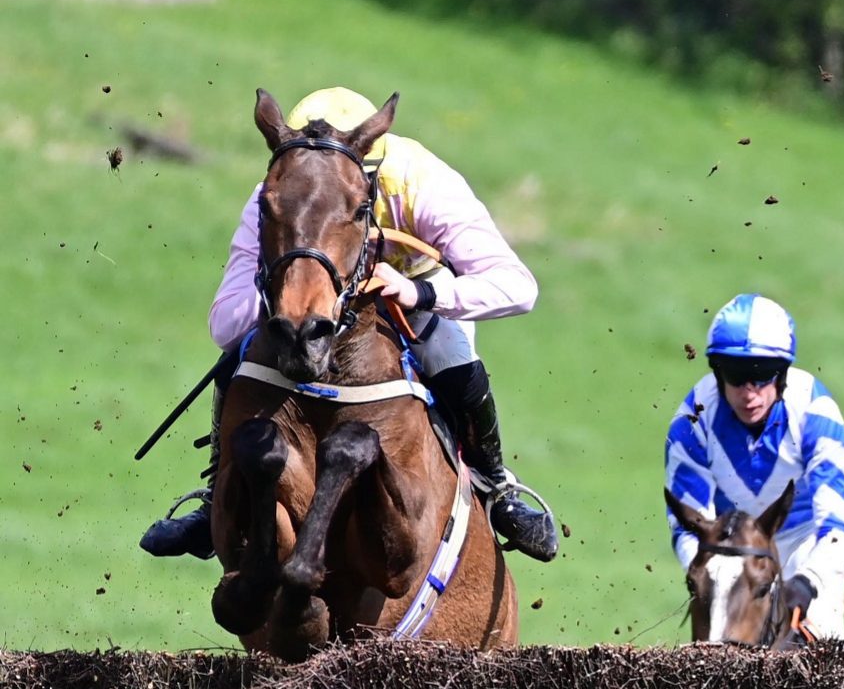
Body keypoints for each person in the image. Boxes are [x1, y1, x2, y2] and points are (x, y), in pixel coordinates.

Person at [141, 86, 558, 563]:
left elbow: (518, 287)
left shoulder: (424, 184)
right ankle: (218, 492)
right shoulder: (276, 196)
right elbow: (225, 323)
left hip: (407, 293)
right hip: (310, 305)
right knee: (241, 355)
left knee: (447, 353)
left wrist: (420, 292)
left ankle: (496, 485)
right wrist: (289, 289)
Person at [665, 293, 844, 639]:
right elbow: (688, 527)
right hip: (728, 555)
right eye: (736, 375)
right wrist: (709, 572)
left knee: (825, 635)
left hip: (805, 544)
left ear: (782, 376)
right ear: (717, 373)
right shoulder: (692, 422)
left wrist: (810, 580)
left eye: (763, 376)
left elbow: (841, 521)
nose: (749, 392)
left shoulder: (815, 411)